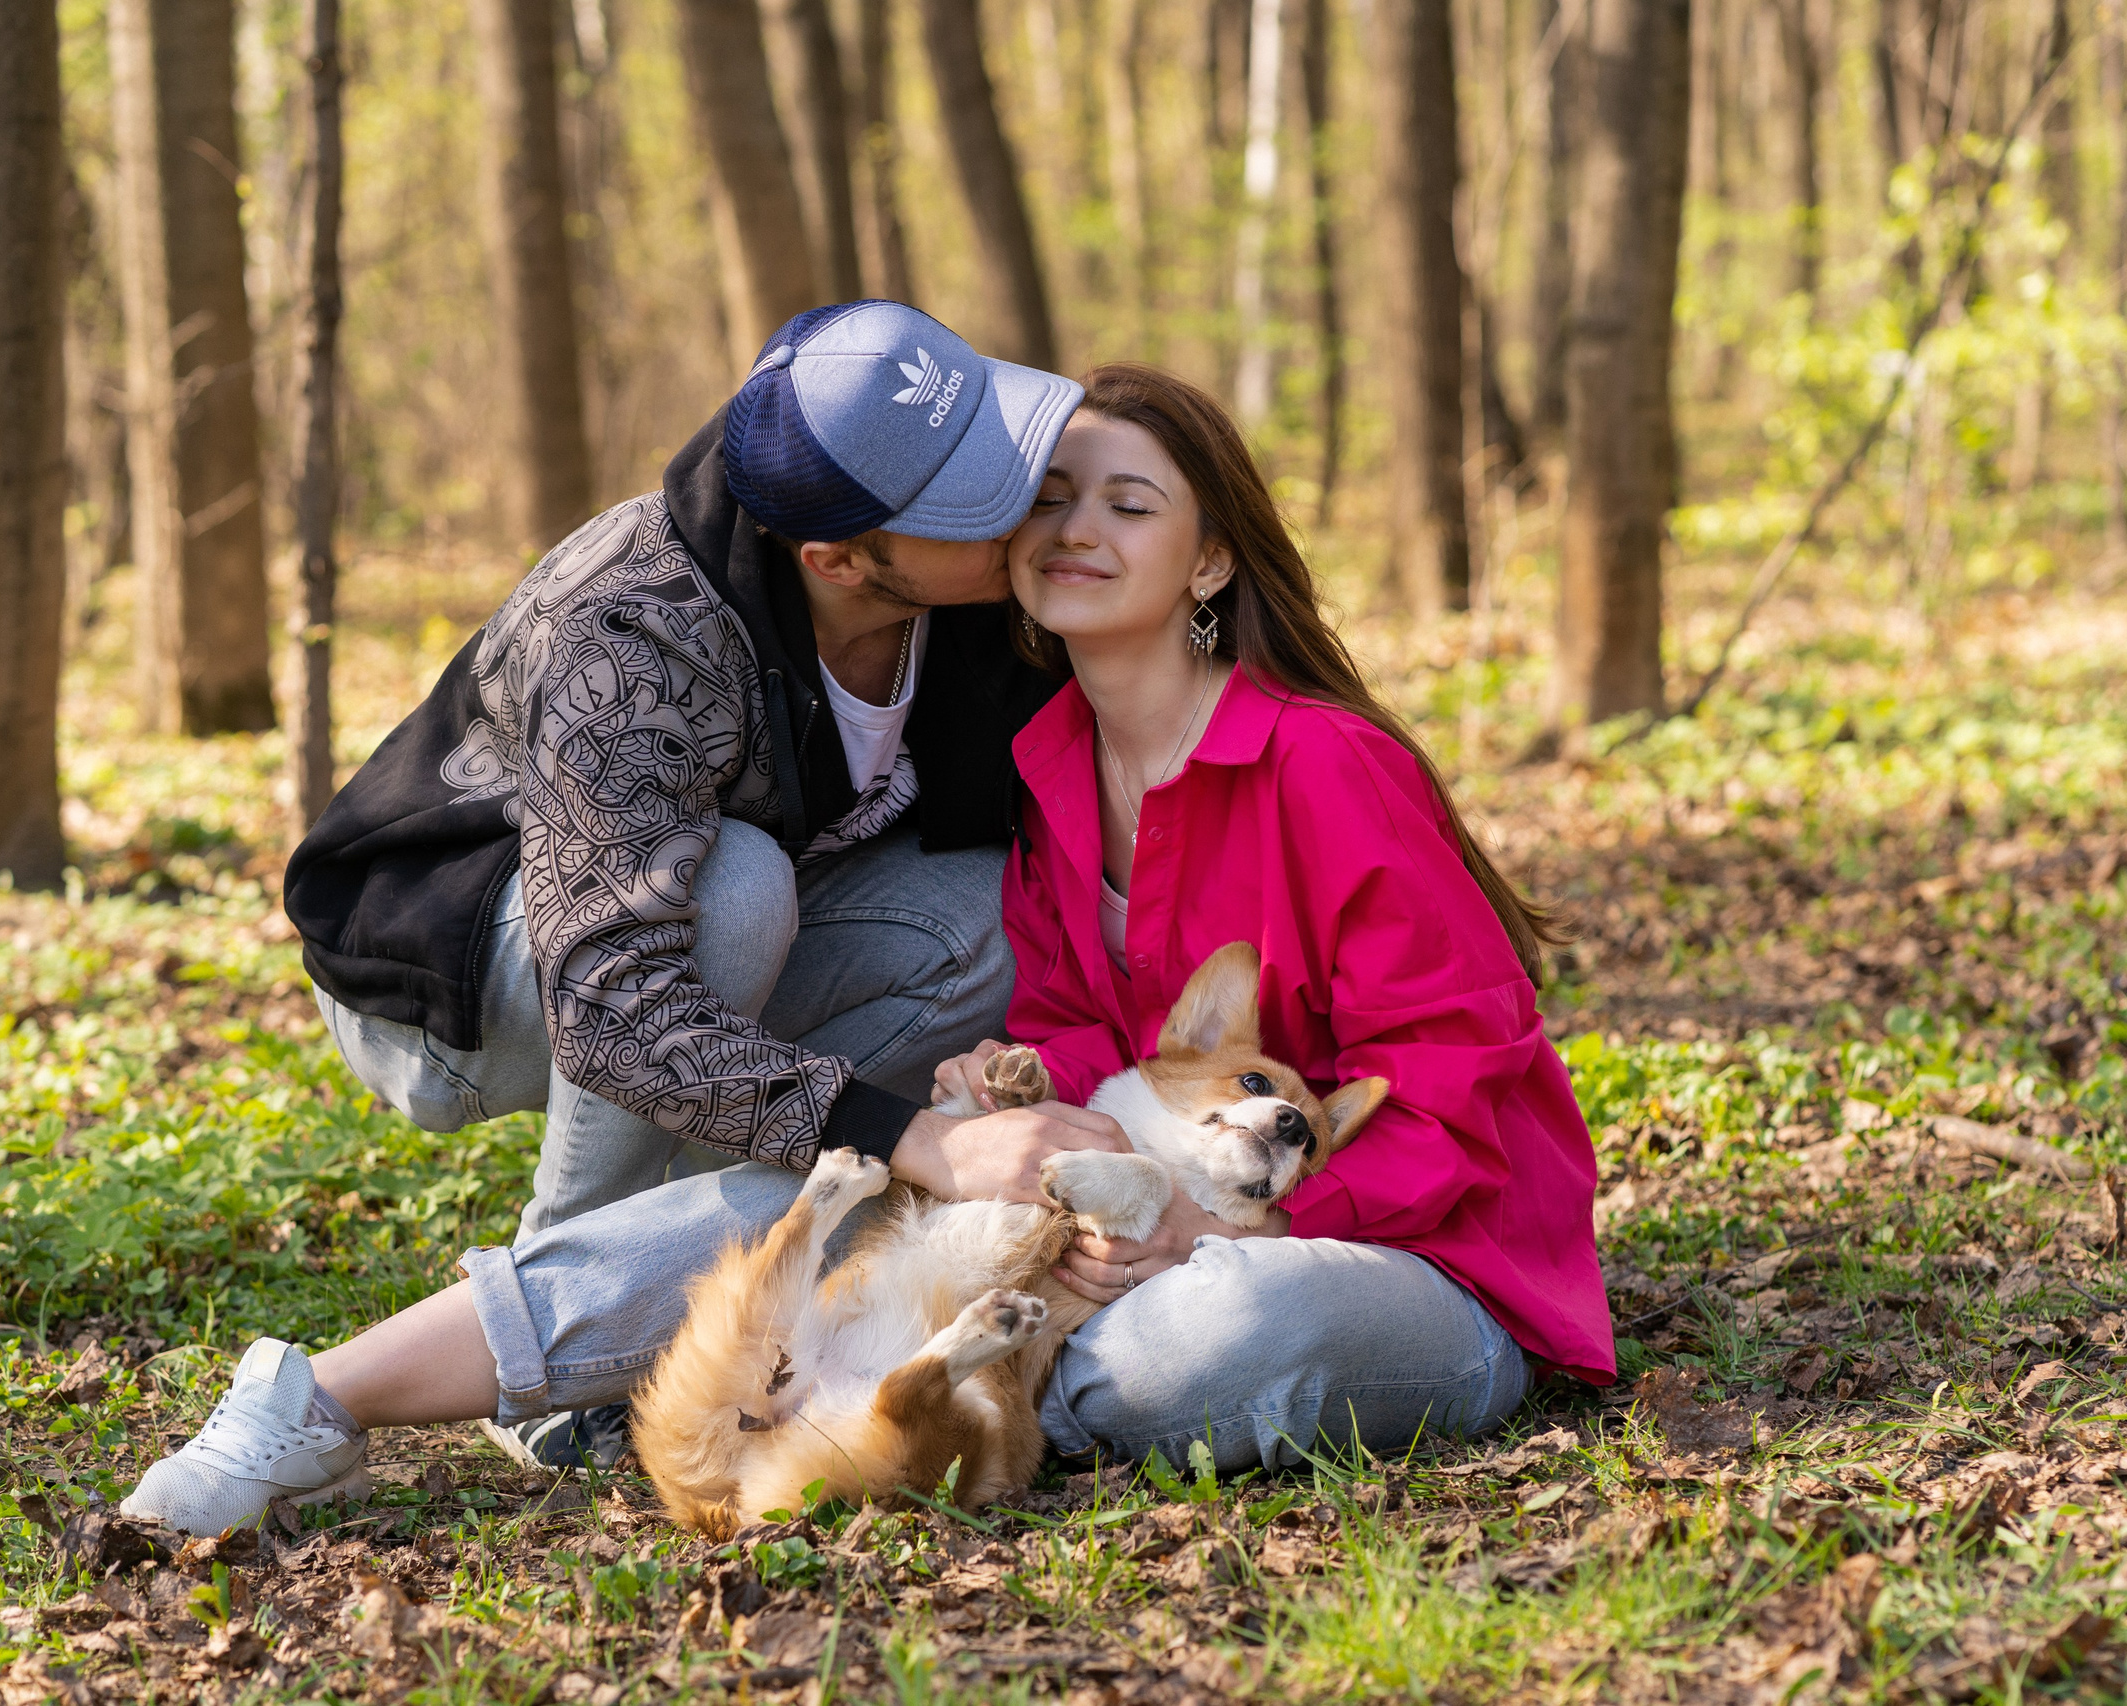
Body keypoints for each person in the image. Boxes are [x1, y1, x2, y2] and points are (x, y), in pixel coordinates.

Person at [122, 363, 1610, 1537]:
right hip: (1117, 1234)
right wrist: (1015, 1104)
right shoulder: (1034, 756)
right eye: (1055, 497)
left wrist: (1207, 1227)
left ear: (1215, 557)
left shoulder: (1327, 769)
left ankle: (928, 1390)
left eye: (1132, 505)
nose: (1074, 529)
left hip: (1408, 1259)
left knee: (1204, 1335)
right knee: (849, 1184)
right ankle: (317, 1395)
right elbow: (1079, 1025)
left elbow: (1466, 1079)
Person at [271, 300, 1134, 1476]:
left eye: (1002, 444)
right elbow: (620, 1005)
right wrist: (916, 1137)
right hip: (460, 987)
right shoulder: (629, 629)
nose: (1033, 498)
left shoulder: (970, 602)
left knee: (983, 915)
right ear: (835, 557)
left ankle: (709, 1251)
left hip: (707, 945)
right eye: (979, 499)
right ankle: (555, 1332)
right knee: (729, 887)